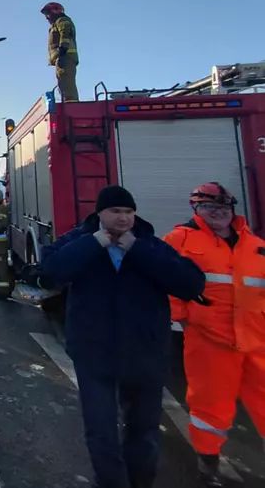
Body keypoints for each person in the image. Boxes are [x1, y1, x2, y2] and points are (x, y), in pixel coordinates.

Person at [39, 185, 205, 488]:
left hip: (144, 355)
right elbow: (50, 272)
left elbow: (190, 283)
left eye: (129, 212)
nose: (124, 218)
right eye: (116, 211)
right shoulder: (81, 241)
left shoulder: (149, 244)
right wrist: (95, 243)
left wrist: (137, 249)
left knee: (144, 432)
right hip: (95, 356)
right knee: (101, 431)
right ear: (100, 213)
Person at [163, 183, 265, 487]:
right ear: (196, 209)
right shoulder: (180, 239)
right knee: (210, 406)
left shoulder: (255, 245)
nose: (218, 213)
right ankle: (207, 464)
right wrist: (181, 317)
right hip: (209, 340)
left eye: (223, 208)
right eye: (209, 208)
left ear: (232, 210)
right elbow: (165, 278)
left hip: (257, 339)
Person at [41, 1, 79, 101]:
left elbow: (65, 34)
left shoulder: (62, 21)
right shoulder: (57, 24)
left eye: (47, 14)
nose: (47, 17)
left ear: (55, 11)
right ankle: (68, 103)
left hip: (65, 56)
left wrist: (62, 50)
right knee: (62, 84)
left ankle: (71, 106)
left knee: (67, 84)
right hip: (62, 57)